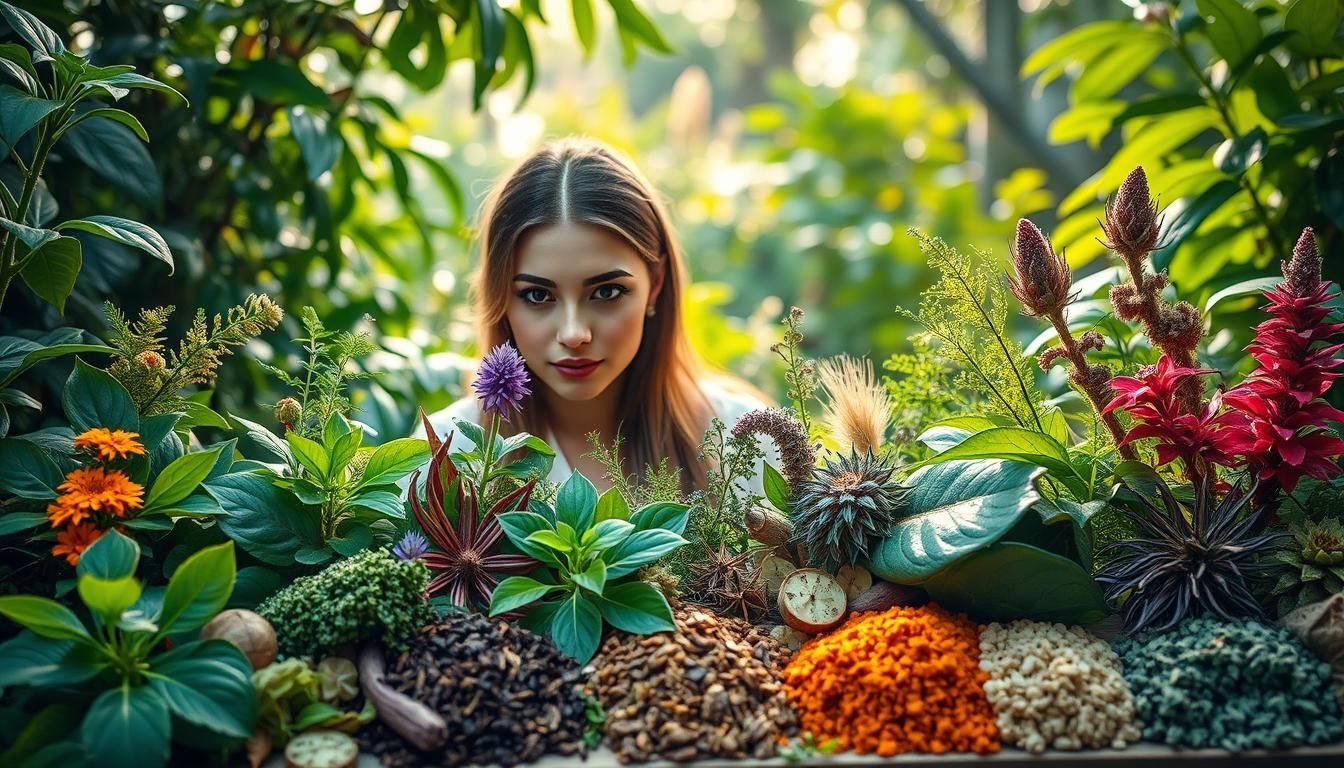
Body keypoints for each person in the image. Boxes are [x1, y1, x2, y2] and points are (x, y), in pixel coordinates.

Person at [420, 137, 775, 495]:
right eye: (538, 295)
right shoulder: (443, 458)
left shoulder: (750, 446)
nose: (574, 334)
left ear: (655, 284)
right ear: (501, 298)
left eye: (606, 292)